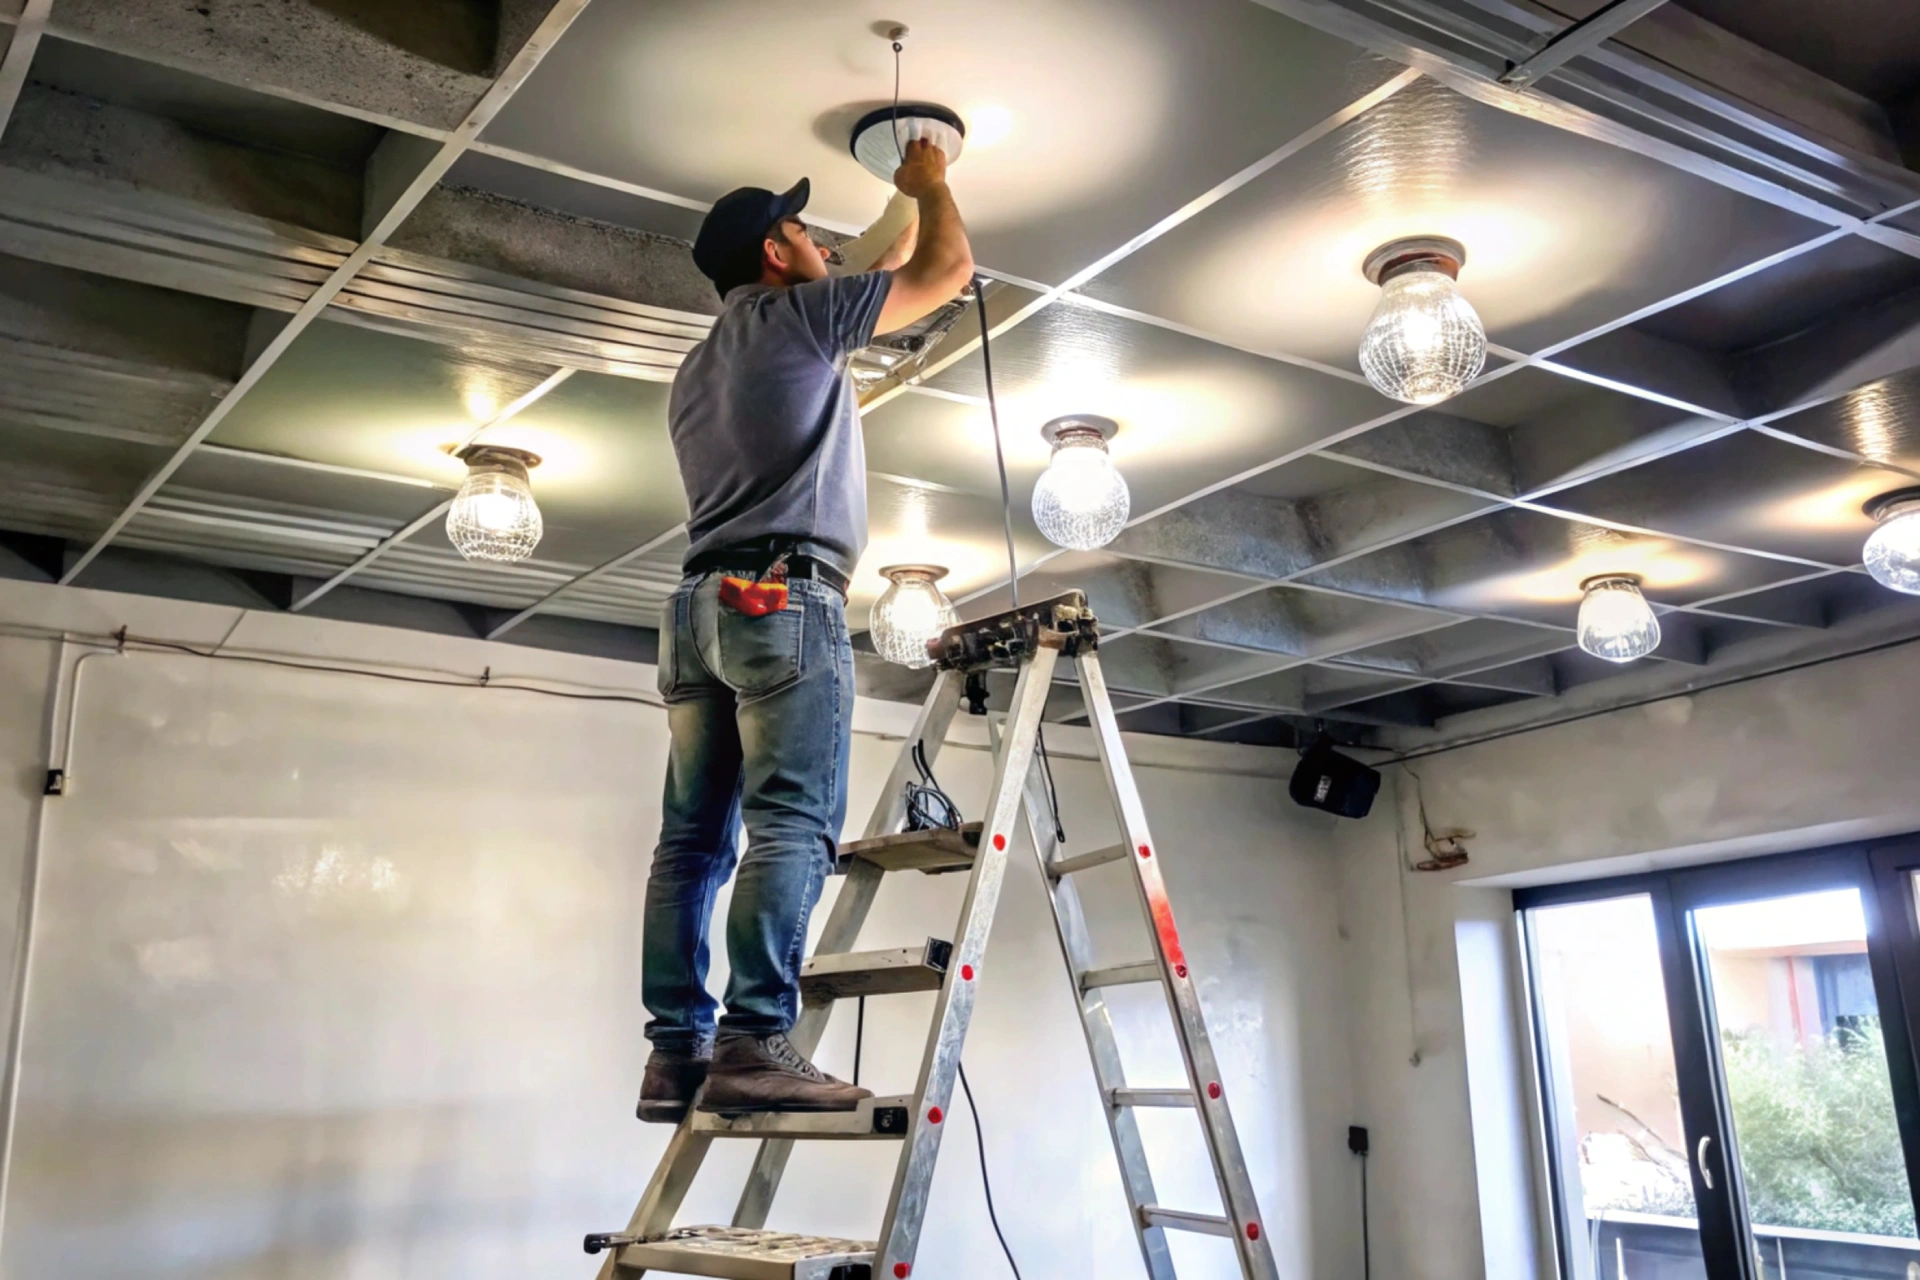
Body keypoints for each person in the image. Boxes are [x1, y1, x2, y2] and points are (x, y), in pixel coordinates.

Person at [638, 138, 974, 1121]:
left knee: (691, 844)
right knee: (791, 823)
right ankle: (753, 1041)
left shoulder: (702, 364)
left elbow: (870, 261)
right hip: (783, 600)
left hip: (698, 611)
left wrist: (895, 203)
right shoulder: (801, 322)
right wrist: (934, 183)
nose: (818, 238)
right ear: (778, 257)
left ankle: (675, 1053)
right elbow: (944, 271)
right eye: (800, 227)